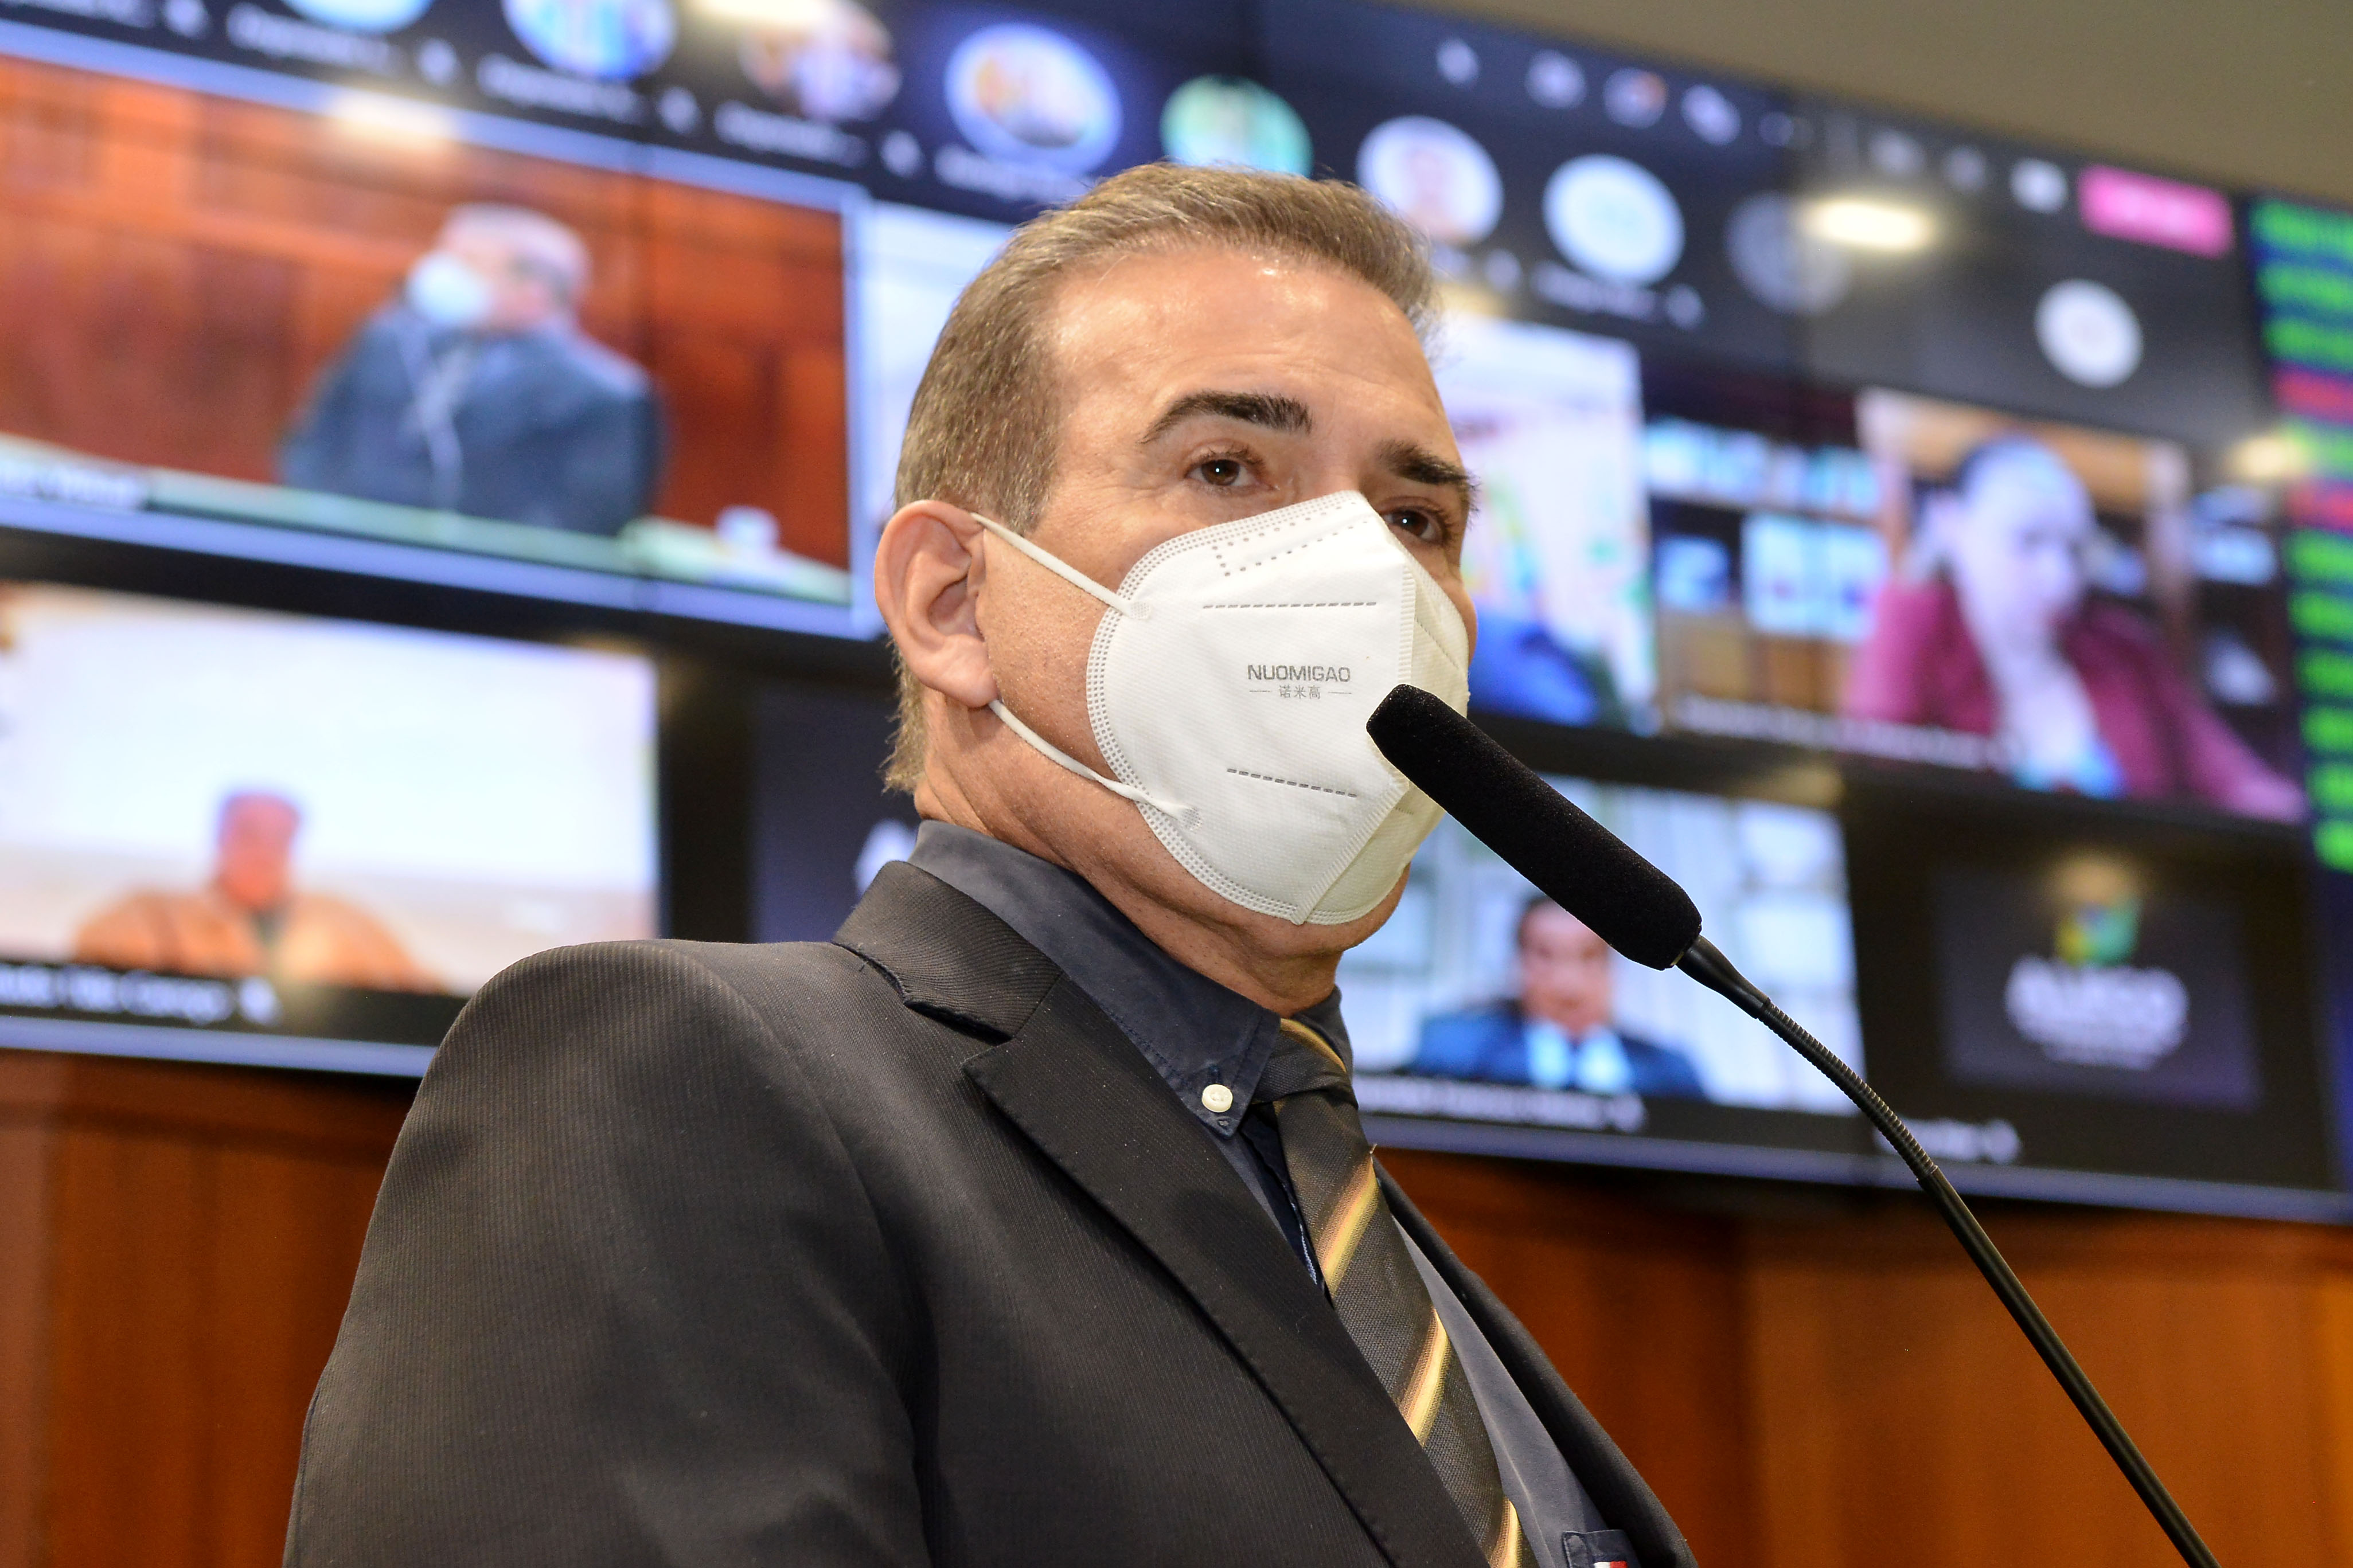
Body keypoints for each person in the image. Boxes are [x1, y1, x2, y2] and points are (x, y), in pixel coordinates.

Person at [286, 166, 1692, 1568]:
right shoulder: (670, 1077)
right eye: (1226, 468)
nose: (1362, 575)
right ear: (953, 602)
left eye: (1415, 519)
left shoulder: (1355, 1231)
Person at [1842, 436, 2304, 820]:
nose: (2059, 577)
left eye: (2072, 547)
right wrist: (1910, 590)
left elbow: (2237, 782)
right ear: (1949, 523)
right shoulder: (1914, 625)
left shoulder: (2125, 648)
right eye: (2028, 540)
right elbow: (1876, 792)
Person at [279, 204, 663, 537]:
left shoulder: (609, 396)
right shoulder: (391, 339)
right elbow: (313, 444)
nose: (439, 274)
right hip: (337, 564)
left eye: (466, 263)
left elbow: (585, 521)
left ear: (535, 290)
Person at [72, 791, 435, 992]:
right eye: (249, 834)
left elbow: (423, 997)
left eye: (279, 838)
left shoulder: (345, 923)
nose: (264, 851)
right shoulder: (147, 913)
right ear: (220, 835)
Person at [1415, 896, 1704, 1099]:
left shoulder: (1672, 1071)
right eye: (1546, 955)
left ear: (1614, 965)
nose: (1569, 984)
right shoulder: (1453, 1052)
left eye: (1589, 956)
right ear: (1518, 963)